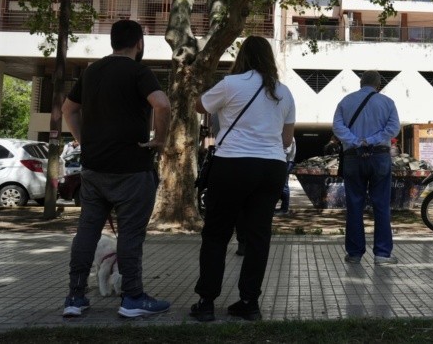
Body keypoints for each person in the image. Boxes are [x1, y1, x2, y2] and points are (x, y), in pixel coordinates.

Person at [61, 19, 171, 318]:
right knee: (130, 235)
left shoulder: (91, 71)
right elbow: (162, 104)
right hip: (132, 168)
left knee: (87, 232)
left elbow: (69, 109)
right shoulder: (138, 71)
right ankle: (132, 297)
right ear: (139, 43)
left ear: (112, 42)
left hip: (94, 168)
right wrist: (160, 140)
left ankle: (75, 297)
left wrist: (84, 141)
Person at [190, 36, 295, 322]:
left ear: (242, 57)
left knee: (216, 233)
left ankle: (207, 302)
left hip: (233, 164)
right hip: (272, 167)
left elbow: (200, 106)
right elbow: (286, 140)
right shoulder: (284, 92)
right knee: (258, 236)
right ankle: (249, 302)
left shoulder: (231, 84)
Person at [333, 70, 400, 265]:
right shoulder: (388, 103)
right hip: (379, 157)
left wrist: (356, 141)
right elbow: (393, 128)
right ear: (379, 85)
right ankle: (382, 254)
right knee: (381, 205)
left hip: (353, 157)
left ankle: (354, 253)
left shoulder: (346, 101)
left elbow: (337, 127)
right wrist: (371, 140)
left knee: (354, 205)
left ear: (360, 83)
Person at [275, 137, 297, 215]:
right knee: (280, 184)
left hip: (286, 161)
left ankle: (284, 209)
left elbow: (286, 151)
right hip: (285, 161)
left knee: (284, 184)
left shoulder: (288, 137)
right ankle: (282, 208)